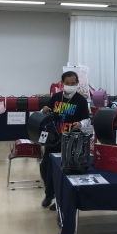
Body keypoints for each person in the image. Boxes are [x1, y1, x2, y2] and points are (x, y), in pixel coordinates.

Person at [40, 71, 90, 209]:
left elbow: (87, 120)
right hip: (54, 139)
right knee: (45, 167)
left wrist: (80, 124)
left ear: (77, 83)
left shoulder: (81, 100)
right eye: (67, 83)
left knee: (63, 171)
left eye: (73, 83)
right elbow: (47, 113)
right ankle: (49, 194)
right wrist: (44, 110)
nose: (70, 86)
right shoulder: (56, 97)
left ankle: (59, 200)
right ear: (62, 83)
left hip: (71, 141)